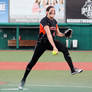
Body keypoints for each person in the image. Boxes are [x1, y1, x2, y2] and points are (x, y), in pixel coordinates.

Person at [18, 5, 83, 90]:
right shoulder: (44, 21)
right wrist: (54, 47)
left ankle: (72, 69)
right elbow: (48, 34)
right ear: (47, 12)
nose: (53, 12)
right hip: (42, 43)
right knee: (32, 62)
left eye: (54, 11)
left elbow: (58, 33)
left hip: (50, 42)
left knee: (64, 49)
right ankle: (23, 80)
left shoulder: (55, 22)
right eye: (51, 11)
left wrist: (64, 35)